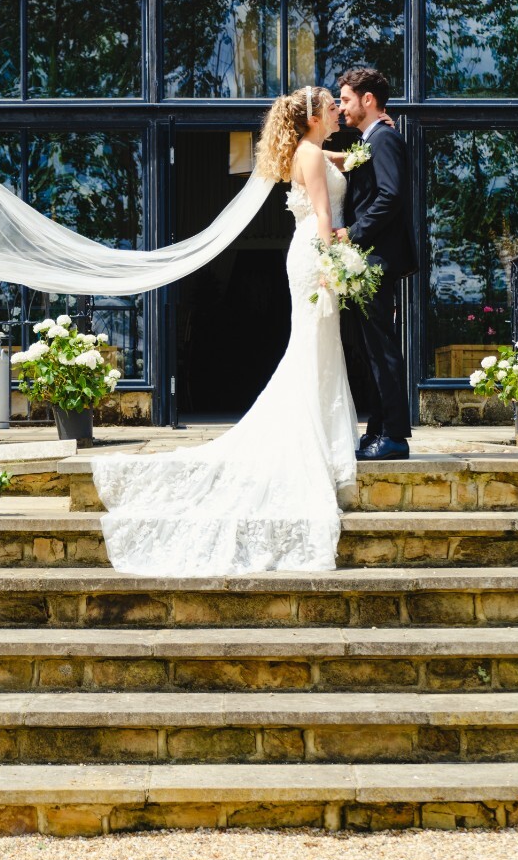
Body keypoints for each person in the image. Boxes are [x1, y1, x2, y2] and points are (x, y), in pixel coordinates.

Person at [91, 86, 360, 575]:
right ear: (315, 115)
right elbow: (324, 214)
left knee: (314, 348)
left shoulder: (306, 152)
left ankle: (323, 433)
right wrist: (332, 263)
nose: (338, 111)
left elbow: (328, 167)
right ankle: (319, 439)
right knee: (316, 347)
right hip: (315, 258)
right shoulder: (314, 156)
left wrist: (353, 155)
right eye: (331, 106)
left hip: (304, 255)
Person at [337, 67, 418, 461]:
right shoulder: (373, 137)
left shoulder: (384, 138)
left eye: (346, 99)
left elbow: (390, 195)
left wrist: (352, 233)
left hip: (376, 258)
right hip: (368, 260)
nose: (341, 107)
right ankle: (378, 430)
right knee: (372, 350)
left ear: (368, 99)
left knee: (381, 349)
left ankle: (395, 437)